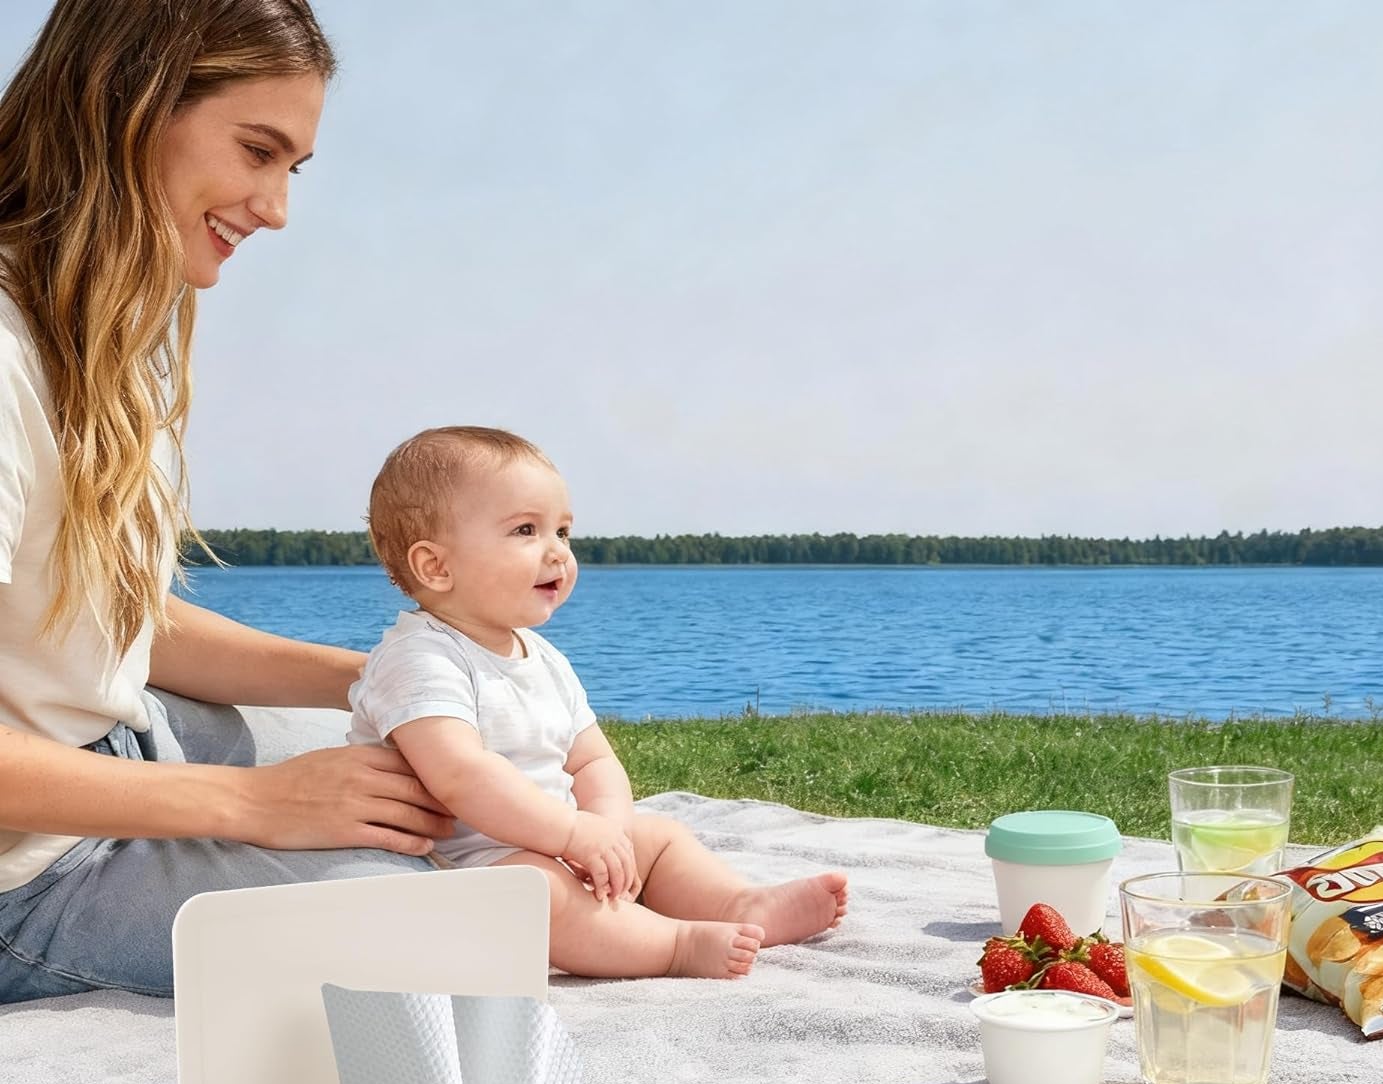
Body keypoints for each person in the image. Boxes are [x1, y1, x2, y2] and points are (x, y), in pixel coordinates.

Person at [0, 0, 454, 1006]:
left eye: (291, 167)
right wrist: (250, 803)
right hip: (21, 878)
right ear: (128, 98)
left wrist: (376, 677)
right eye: (257, 150)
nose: (276, 206)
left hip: (114, 748)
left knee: (422, 782)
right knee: (430, 925)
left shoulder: (111, 325)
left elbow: (104, 616)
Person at [351, 426, 849, 979]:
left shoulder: (541, 657)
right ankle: (674, 945)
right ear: (436, 567)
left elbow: (590, 759)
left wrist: (608, 828)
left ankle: (736, 902)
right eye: (525, 530)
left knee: (659, 837)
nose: (558, 553)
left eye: (563, 532)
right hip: (460, 862)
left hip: (560, 837)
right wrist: (570, 836)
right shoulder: (419, 659)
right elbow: (461, 776)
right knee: (540, 891)